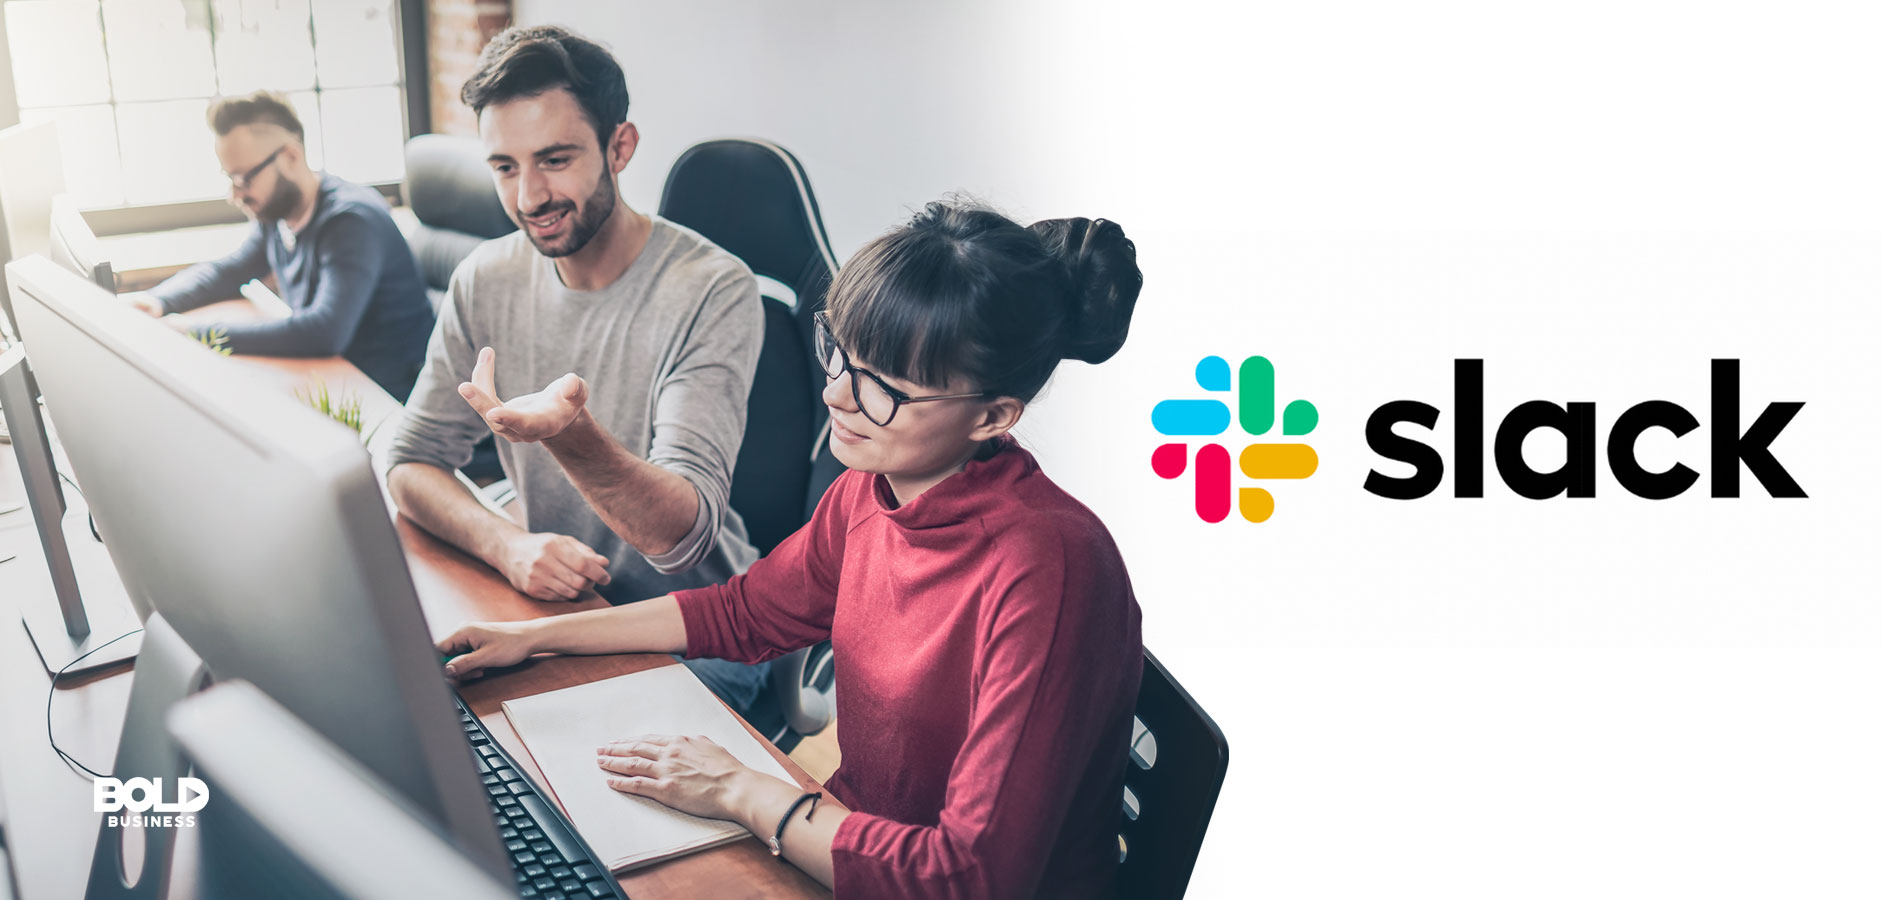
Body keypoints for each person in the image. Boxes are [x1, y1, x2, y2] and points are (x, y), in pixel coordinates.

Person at [438, 199, 1147, 898]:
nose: (837, 395)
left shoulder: (1051, 569)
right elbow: (741, 614)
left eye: (882, 388)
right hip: (844, 845)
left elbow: (968, 877)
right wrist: (532, 639)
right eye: (840, 354)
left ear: (993, 415)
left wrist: (740, 790)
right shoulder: (871, 489)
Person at [383, 26, 773, 725]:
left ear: (619, 147)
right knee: (428, 730)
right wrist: (507, 544)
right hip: (555, 613)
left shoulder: (712, 289)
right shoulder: (485, 278)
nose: (529, 196)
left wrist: (569, 435)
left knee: (559, 765)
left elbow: (679, 539)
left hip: (696, 634)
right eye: (504, 167)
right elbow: (410, 461)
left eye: (555, 160)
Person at [128, 91, 433, 400]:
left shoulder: (350, 222)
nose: (235, 195)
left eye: (243, 178)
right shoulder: (278, 213)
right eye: (230, 179)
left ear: (290, 157)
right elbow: (230, 271)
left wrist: (197, 333)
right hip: (334, 379)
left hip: (386, 395)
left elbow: (324, 332)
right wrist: (158, 300)